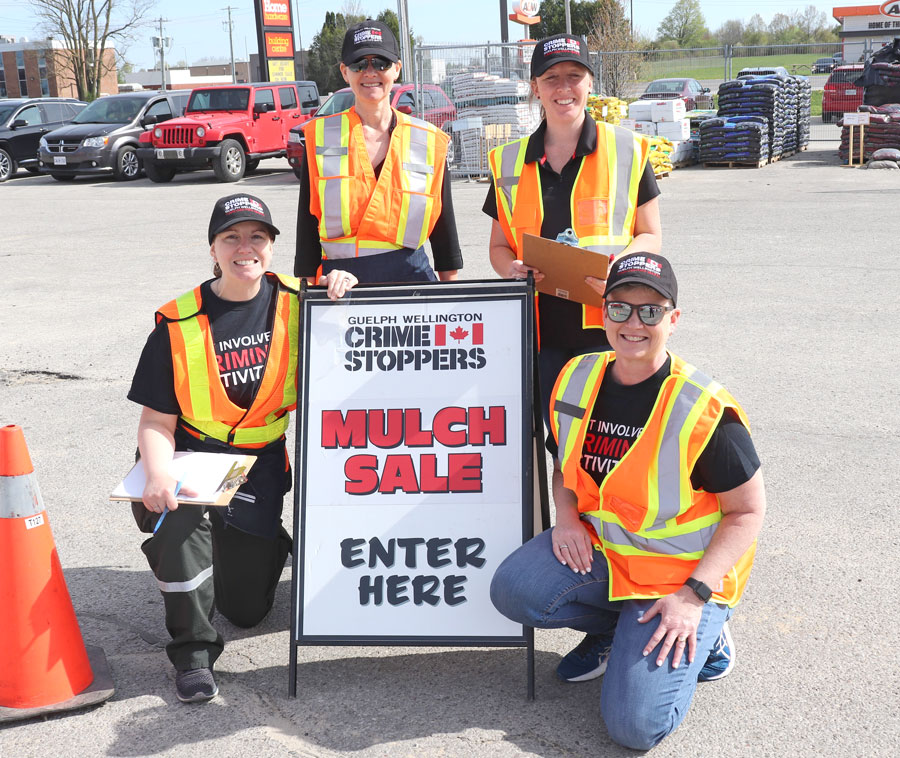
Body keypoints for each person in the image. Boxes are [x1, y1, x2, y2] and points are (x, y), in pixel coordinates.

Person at [489, 253, 766, 750]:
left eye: (650, 311)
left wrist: (693, 597)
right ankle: (617, 632)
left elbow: (747, 512)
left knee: (634, 728)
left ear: (673, 320)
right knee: (515, 590)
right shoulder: (577, 375)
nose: (633, 323)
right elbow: (564, 464)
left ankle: (711, 633)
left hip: (680, 577)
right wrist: (566, 518)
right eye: (620, 308)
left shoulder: (701, 408)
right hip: (607, 554)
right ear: (602, 313)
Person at [128, 193, 357, 703]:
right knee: (179, 531)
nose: (244, 247)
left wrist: (342, 286)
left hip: (258, 463)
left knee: (247, 611)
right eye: (230, 237)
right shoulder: (179, 321)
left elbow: (357, 343)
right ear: (212, 248)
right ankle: (192, 654)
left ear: (272, 247)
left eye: (257, 236)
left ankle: (263, 541)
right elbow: (156, 421)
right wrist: (158, 474)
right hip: (190, 455)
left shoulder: (301, 302)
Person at [483, 33, 662, 432]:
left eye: (574, 76)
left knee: (610, 440)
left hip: (611, 327)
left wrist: (620, 269)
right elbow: (498, 246)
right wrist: (509, 269)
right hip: (540, 335)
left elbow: (650, 235)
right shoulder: (508, 161)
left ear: (590, 82)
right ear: (535, 88)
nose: (563, 87)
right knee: (559, 441)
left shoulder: (627, 150)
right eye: (551, 78)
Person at [295, 19, 463, 284]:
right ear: (344, 72)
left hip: (413, 283)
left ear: (397, 69)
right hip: (340, 285)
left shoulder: (428, 140)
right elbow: (307, 227)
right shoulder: (321, 136)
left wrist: (450, 294)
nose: (370, 72)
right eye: (359, 64)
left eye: (381, 63)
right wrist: (309, 294)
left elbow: (444, 231)